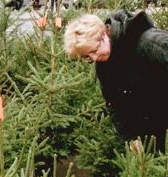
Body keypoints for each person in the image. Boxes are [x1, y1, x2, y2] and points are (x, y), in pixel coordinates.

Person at [63, 10, 168, 151]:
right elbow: (115, 104)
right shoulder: (104, 65)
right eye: (87, 57)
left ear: (104, 36)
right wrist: (130, 138)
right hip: (154, 135)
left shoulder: (152, 43)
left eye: (93, 51)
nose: (93, 59)